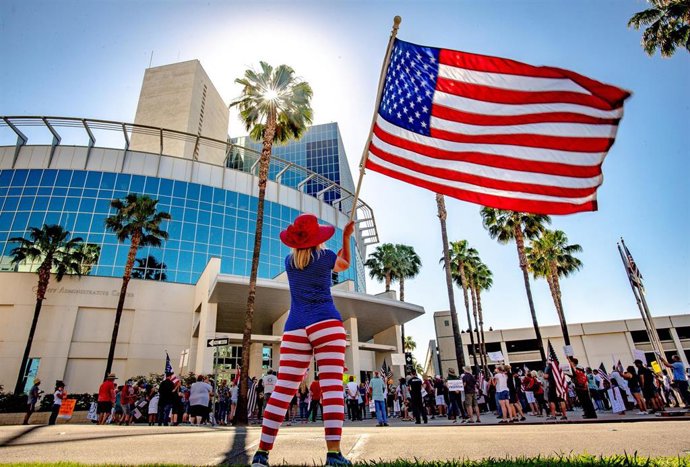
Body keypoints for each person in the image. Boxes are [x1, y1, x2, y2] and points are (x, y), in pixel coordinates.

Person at [252, 215, 355, 467]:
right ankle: (333, 454)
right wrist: (346, 236)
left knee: (282, 391)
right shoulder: (326, 256)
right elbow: (345, 264)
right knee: (332, 389)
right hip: (327, 324)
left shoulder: (290, 262)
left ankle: (261, 454)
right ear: (317, 237)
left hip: (295, 327)